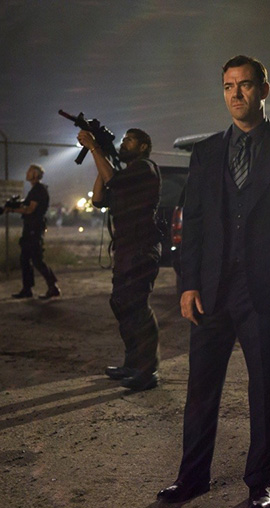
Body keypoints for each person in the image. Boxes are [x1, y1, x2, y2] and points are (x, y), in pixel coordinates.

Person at [156, 55, 270, 508]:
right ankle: (192, 478)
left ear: (263, 90)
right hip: (212, 290)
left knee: (264, 389)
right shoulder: (207, 152)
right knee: (200, 389)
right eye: (228, 86)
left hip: (264, 292)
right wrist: (189, 284)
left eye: (245, 85)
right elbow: (194, 224)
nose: (236, 94)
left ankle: (258, 483)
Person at [77, 127, 162, 391]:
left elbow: (112, 180)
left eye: (129, 140)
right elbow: (98, 199)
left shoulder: (145, 168)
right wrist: (101, 156)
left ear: (143, 146)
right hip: (126, 249)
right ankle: (133, 363)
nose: (124, 143)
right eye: (123, 140)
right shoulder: (125, 175)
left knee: (137, 306)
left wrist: (95, 148)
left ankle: (148, 371)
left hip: (142, 248)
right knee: (122, 304)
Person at [9, 164, 60, 299]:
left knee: (36, 259)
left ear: (36, 174)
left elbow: (30, 209)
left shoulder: (38, 190)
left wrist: (12, 210)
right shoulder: (35, 190)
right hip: (30, 227)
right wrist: (14, 205)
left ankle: (53, 286)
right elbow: (27, 204)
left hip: (34, 228)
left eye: (29, 171)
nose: (27, 173)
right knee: (25, 259)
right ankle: (27, 289)